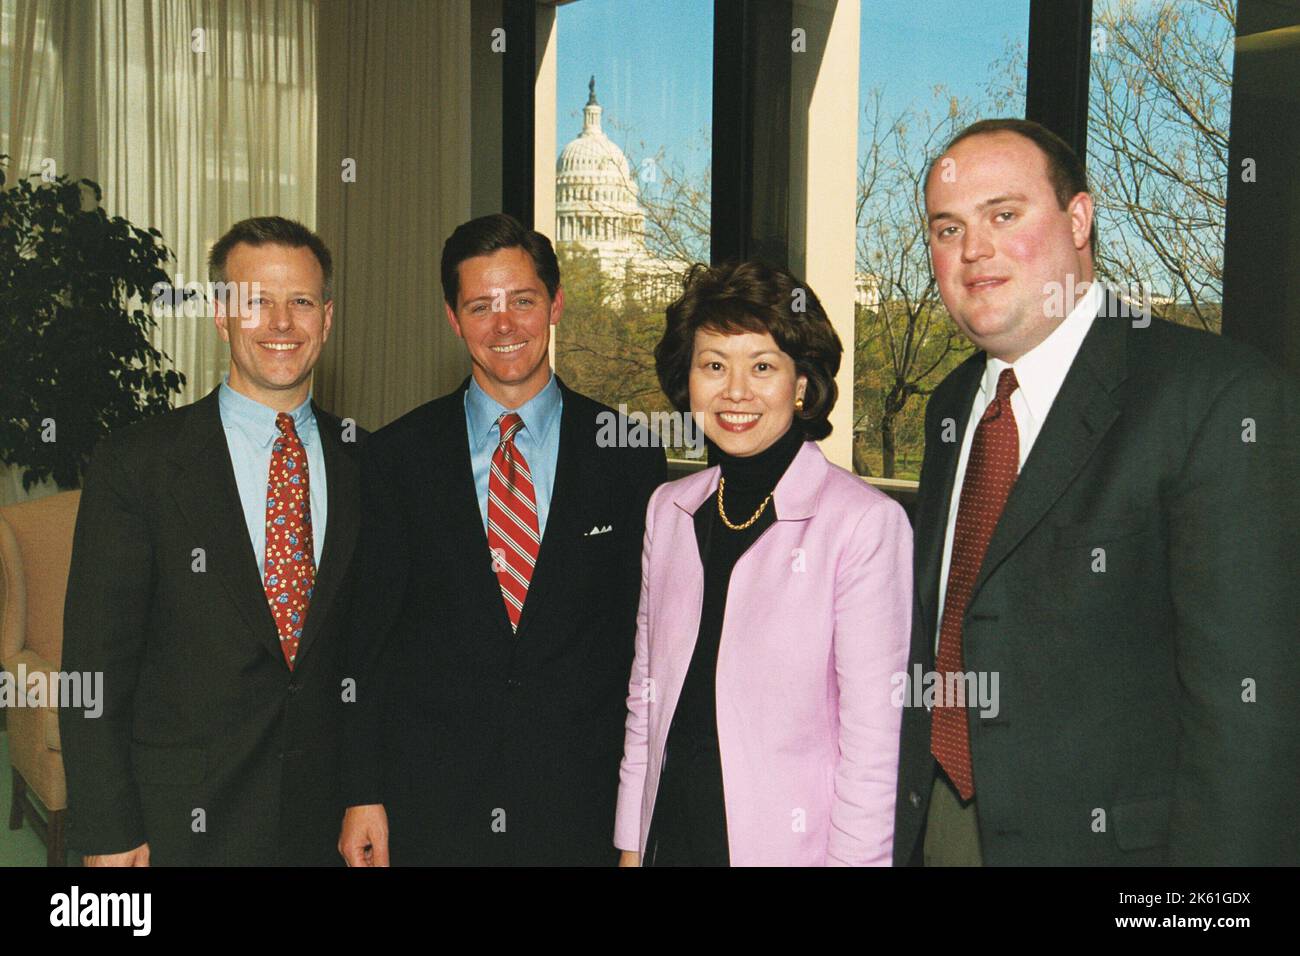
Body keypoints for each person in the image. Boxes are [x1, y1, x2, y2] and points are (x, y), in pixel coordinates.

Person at [894, 118, 1300, 866]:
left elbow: (1254, 722)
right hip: (941, 831)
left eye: (1004, 215)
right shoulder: (952, 406)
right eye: (947, 228)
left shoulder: (1216, 398)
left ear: (1078, 219)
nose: (972, 250)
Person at [338, 213, 665, 866]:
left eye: (522, 300)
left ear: (556, 304)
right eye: (481, 306)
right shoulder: (394, 458)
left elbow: (647, 643)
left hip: (583, 806)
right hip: (432, 806)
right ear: (454, 320)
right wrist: (360, 793)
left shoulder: (628, 453)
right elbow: (366, 644)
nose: (505, 325)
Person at [61, 216, 363, 866]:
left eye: (301, 301)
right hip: (178, 825)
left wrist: (369, 795)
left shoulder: (368, 462)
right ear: (223, 315)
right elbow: (94, 663)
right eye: (257, 301)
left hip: (322, 824)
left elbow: (373, 652)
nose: (281, 323)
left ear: (328, 318)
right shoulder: (138, 464)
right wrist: (109, 830)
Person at [614, 260, 912, 866]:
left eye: (763, 366)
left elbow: (873, 749)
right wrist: (629, 844)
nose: (736, 391)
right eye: (714, 365)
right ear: (688, 380)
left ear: (801, 384)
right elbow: (645, 702)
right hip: (668, 841)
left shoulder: (863, 525)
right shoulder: (667, 510)